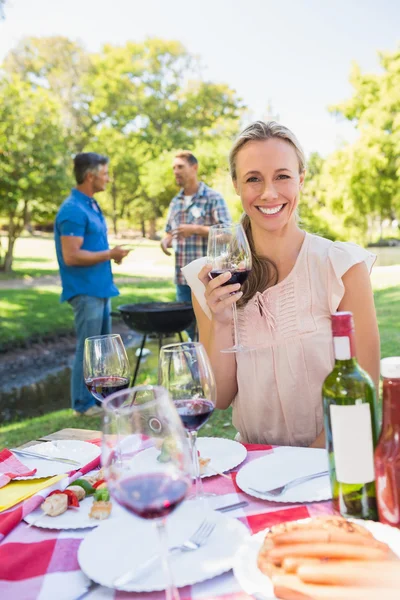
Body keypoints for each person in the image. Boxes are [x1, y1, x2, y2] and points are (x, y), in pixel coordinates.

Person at [182, 121, 380, 447]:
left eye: (282, 176)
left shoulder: (342, 267)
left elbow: (364, 392)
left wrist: (300, 468)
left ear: (301, 179)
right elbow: (218, 397)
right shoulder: (211, 279)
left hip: (329, 462)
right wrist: (221, 321)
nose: (269, 193)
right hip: (252, 467)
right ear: (235, 184)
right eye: (253, 179)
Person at [54, 153, 130, 416]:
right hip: (85, 291)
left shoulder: (91, 205)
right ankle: (82, 405)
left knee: (102, 351)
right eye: (105, 173)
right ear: (90, 176)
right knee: (87, 348)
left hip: (100, 289)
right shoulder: (73, 210)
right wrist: (110, 254)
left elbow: (91, 247)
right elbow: (71, 255)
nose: (108, 178)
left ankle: (100, 401)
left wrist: (111, 255)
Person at [160, 150, 231, 340]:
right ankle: (198, 368)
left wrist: (196, 229)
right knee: (190, 330)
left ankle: (212, 368)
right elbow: (169, 230)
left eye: (180, 167)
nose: (176, 171)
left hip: (207, 278)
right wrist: (166, 239)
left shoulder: (213, 198)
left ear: (194, 167)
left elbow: (228, 233)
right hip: (182, 279)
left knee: (209, 329)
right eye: (174, 168)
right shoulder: (175, 202)